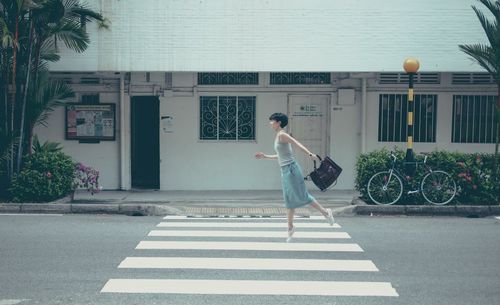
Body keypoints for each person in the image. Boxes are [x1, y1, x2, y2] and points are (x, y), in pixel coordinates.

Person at [255, 112, 334, 242]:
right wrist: (265, 156)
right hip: (285, 171)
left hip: (291, 170)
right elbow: (281, 156)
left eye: (272, 121)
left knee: (302, 196)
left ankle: (325, 213)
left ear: (278, 122)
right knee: (289, 199)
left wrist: (310, 154)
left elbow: (297, 144)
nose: (270, 123)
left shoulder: (282, 135)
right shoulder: (278, 136)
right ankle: (290, 229)